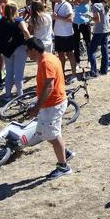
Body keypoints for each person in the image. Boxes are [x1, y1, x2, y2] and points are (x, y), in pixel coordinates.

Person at [24, 38, 75, 180]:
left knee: (52, 134)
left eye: (27, 51)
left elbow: (49, 86)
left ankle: (63, 167)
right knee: (45, 133)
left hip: (53, 104)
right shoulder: (47, 57)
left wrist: (36, 108)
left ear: (34, 50)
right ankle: (65, 153)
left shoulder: (46, 62)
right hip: (49, 105)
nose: (27, 54)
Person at [0, 3, 30, 100]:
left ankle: (7, 95)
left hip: (6, 50)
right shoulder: (19, 20)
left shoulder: (1, 21)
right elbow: (26, 31)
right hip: (20, 48)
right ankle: (20, 95)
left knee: (9, 73)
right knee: (19, 73)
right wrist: (29, 44)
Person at [51, 0, 78, 82]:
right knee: (60, 55)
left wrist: (57, 17)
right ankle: (61, 74)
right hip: (58, 34)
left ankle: (74, 74)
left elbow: (70, 19)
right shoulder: (56, 5)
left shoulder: (67, 5)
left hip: (67, 34)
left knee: (70, 54)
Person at [88, 0, 110, 77]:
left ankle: (93, 71)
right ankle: (104, 70)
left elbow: (97, 20)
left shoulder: (95, 6)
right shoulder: (104, 4)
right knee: (105, 50)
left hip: (99, 31)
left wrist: (89, 17)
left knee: (91, 51)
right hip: (106, 30)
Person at [70, 0, 91, 65]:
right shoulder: (74, 1)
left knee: (88, 42)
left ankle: (89, 60)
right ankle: (77, 61)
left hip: (85, 23)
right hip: (76, 24)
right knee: (76, 43)